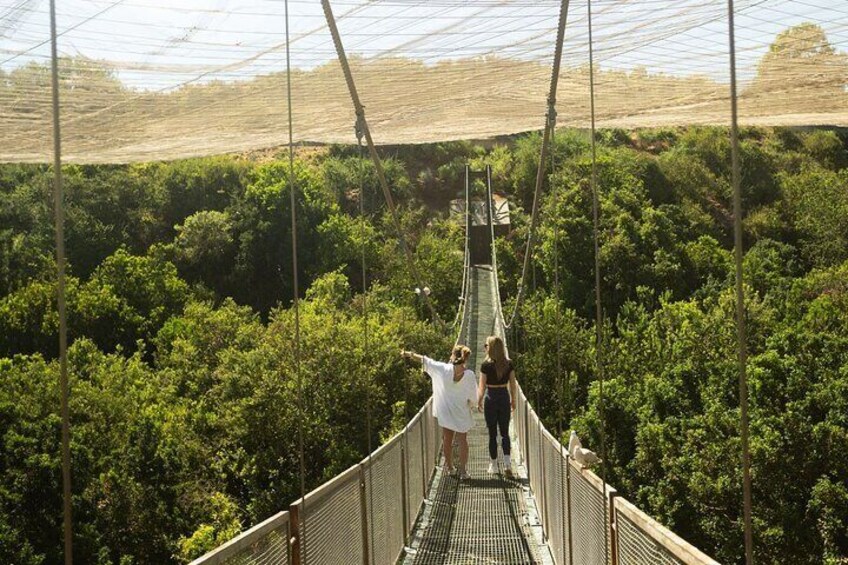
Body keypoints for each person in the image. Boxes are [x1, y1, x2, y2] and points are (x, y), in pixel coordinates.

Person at [401, 345, 477, 479]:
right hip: (461, 411)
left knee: (447, 439)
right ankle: (464, 471)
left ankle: (450, 468)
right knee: (462, 440)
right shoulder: (469, 375)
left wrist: (409, 354)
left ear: (453, 356)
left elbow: (425, 360)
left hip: (446, 411)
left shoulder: (442, 369)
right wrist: (472, 405)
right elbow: (473, 397)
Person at [477, 335, 517, 477]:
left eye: (486, 345)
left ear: (491, 348)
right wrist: (514, 400)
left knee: (492, 433)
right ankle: (507, 463)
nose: (484, 347)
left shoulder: (485, 365)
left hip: (491, 398)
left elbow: (481, 387)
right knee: (505, 432)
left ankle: (493, 465)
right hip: (504, 397)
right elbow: (512, 385)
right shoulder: (509, 364)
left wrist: (479, 400)